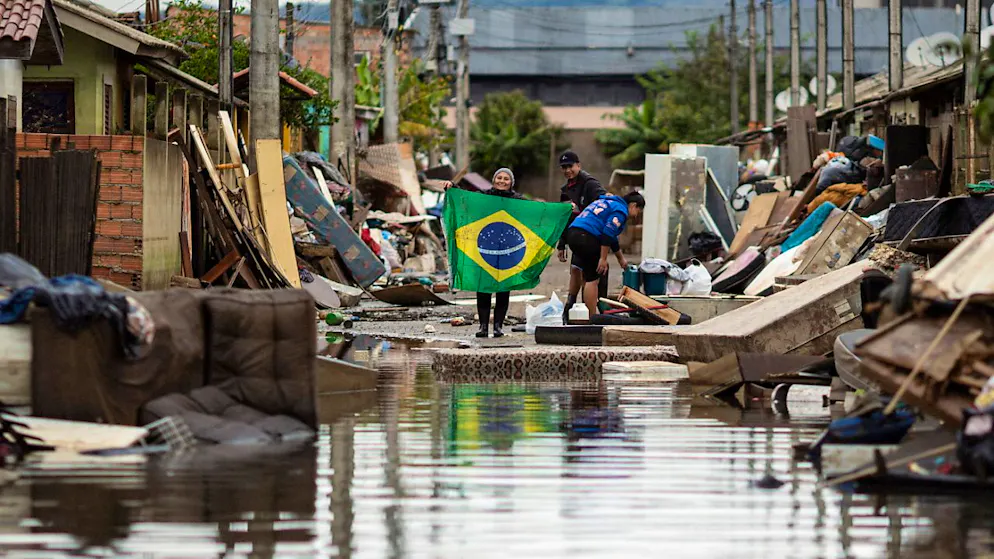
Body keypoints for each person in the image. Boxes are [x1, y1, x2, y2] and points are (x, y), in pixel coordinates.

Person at [441, 168, 522, 338]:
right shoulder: (483, 197)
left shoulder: (518, 200)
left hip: (508, 250)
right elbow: (466, 198)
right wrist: (453, 187)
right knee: (483, 287)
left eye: (506, 178)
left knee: (503, 289)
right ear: (493, 180)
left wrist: (564, 208)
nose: (502, 181)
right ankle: (483, 327)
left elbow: (538, 211)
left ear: (511, 182)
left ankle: (498, 327)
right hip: (485, 248)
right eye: (499, 177)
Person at [554, 150, 626, 323]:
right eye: (564, 167)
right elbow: (565, 218)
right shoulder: (565, 191)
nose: (567, 170)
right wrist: (561, 244)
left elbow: (605, 209)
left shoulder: (590, 184)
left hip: (593, 237)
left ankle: (595, 313)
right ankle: (575, 311)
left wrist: (611, 254)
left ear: (578, 165)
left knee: (593, 274)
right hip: (576, 235)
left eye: (570, 166)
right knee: (577, 271)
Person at [566, 191, 645, 318]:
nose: (636, 216)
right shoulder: (621, 210)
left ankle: (575, 311)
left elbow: (612, 237)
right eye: (638, 211)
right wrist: (603, 258)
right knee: (593, 279)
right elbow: (607, 233)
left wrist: (621, 259)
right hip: (587, 237)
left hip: (573, 234)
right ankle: (592, 318)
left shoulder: (607, 202)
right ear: (633, 205)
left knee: (585, 273)